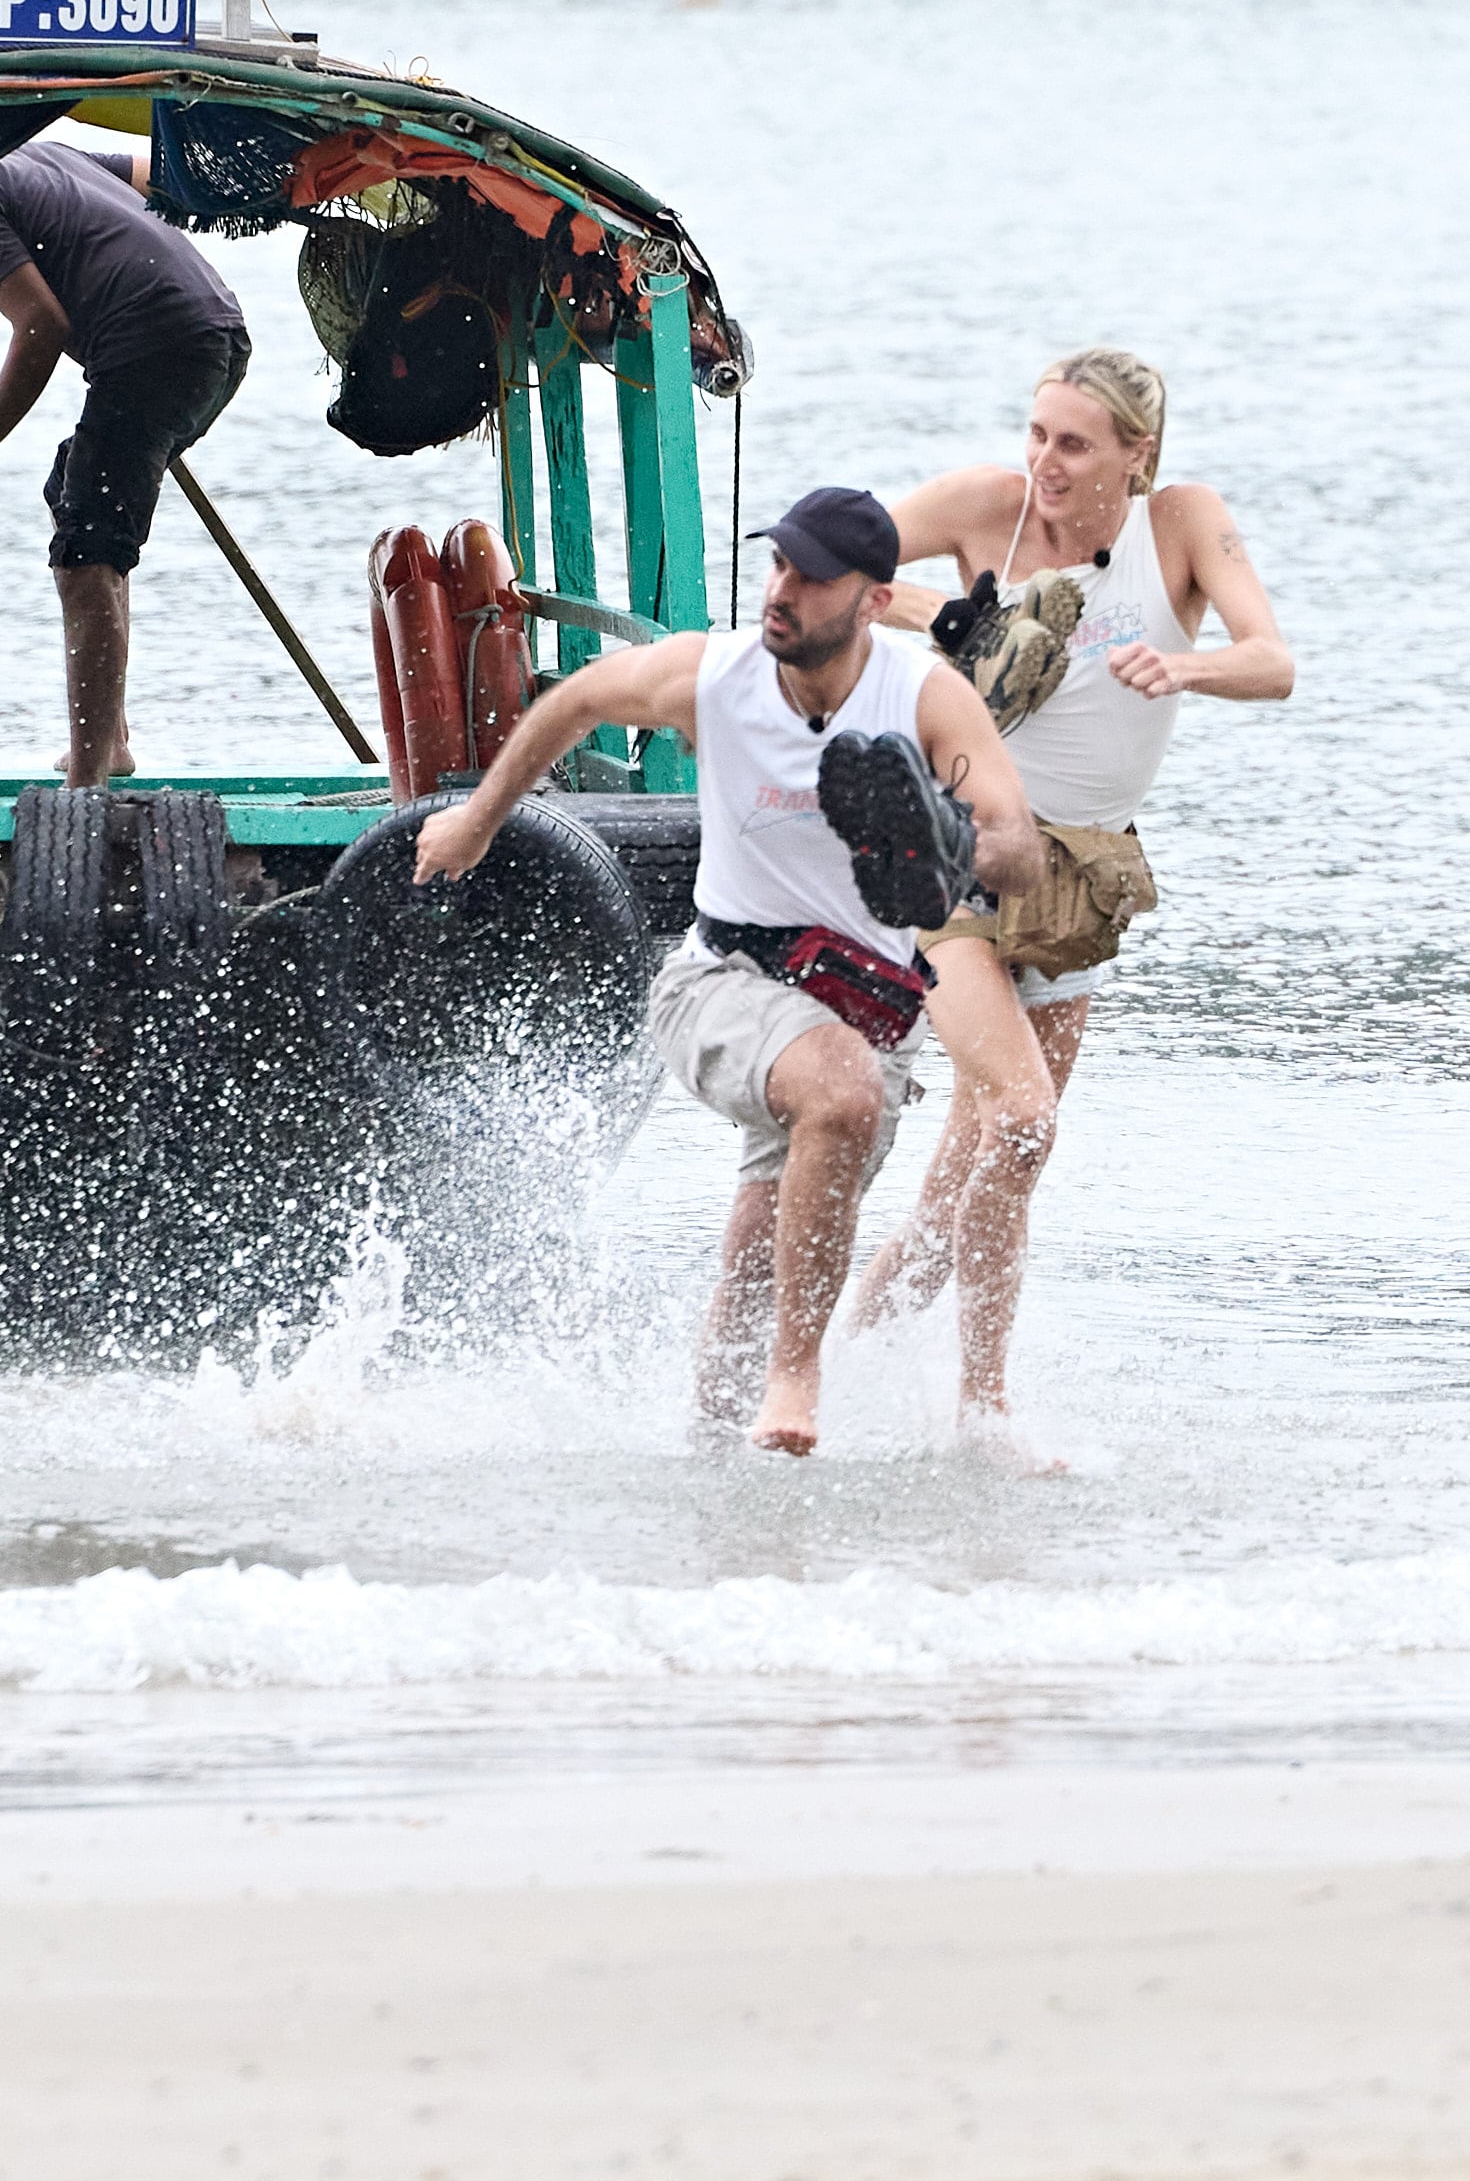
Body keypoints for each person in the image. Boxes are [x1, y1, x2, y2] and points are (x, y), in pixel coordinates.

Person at [417, 487, 1044, 1455]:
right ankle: (797, 1380)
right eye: (777, 564)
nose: (781, 589)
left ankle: (710, 1454)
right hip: (718, 980)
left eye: (810, 575)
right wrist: (474, 820)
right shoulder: (711, 675)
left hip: (867, 1008)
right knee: (836, 1092)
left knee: (763, 1254)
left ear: (872, 601)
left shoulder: (921, 696)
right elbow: (573, 701)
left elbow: (1020, 848)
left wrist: (954, 840)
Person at [842, 349, 1294, 1430]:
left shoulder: (1179, 525)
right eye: (1036, 432)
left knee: (979, 1168)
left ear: (1134, 456)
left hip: (1076, 881)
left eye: (1073, 443)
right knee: (1022, 1121)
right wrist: (929, 614)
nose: (1043, 460)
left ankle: (850, 1376)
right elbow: (828, 563)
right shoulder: (983, 505)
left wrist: (1185, 666)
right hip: (951, 849)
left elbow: (1270, 660)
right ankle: (980, 1408)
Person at [0, 141, 248, 786]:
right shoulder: (23, 152)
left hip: (159, 345)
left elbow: (41, 325)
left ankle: (90, 777)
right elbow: (155, 173)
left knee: (87, 551)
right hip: (219, 332)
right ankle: (113, 739)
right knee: (78, 492)